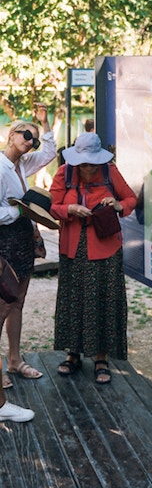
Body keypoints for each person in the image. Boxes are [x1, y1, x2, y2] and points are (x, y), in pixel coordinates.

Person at [50, 132, 136, 384]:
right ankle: (72, 354)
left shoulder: (110, 172)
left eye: (91, 163)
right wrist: (69, 209)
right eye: (82, 163)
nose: (86, 168)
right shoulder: (65, 172)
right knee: (73, 299)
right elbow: (51, 205)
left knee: (103, 300)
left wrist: (118, 205)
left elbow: (130, 198)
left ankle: (101, 357)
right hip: (73, 248)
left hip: (106, 247)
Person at [0, 104, 56, 421]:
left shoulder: (22, 164)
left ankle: (15, 360)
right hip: (4, 240)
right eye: (26, 135)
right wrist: (18, 211)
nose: (30, 142)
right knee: (3, 305)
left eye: (33, 139)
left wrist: (45, 124)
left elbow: (49, 151)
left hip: (22, 239)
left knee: (18, 302)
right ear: (12, 134)